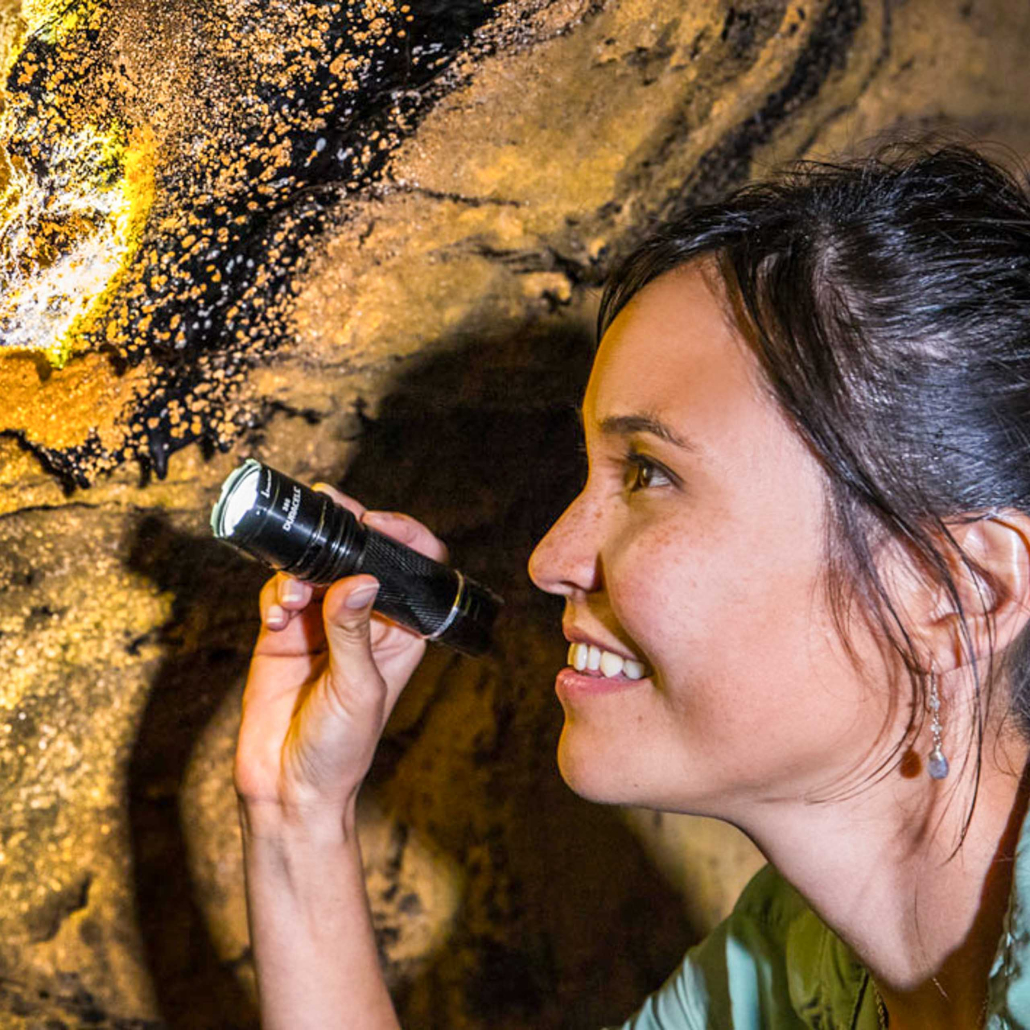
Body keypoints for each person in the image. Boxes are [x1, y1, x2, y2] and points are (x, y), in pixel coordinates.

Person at [232, 139, 1030, 1029]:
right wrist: (295, 813)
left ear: (958, 588)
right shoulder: (787, 964)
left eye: (648, 473)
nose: (550, 558)